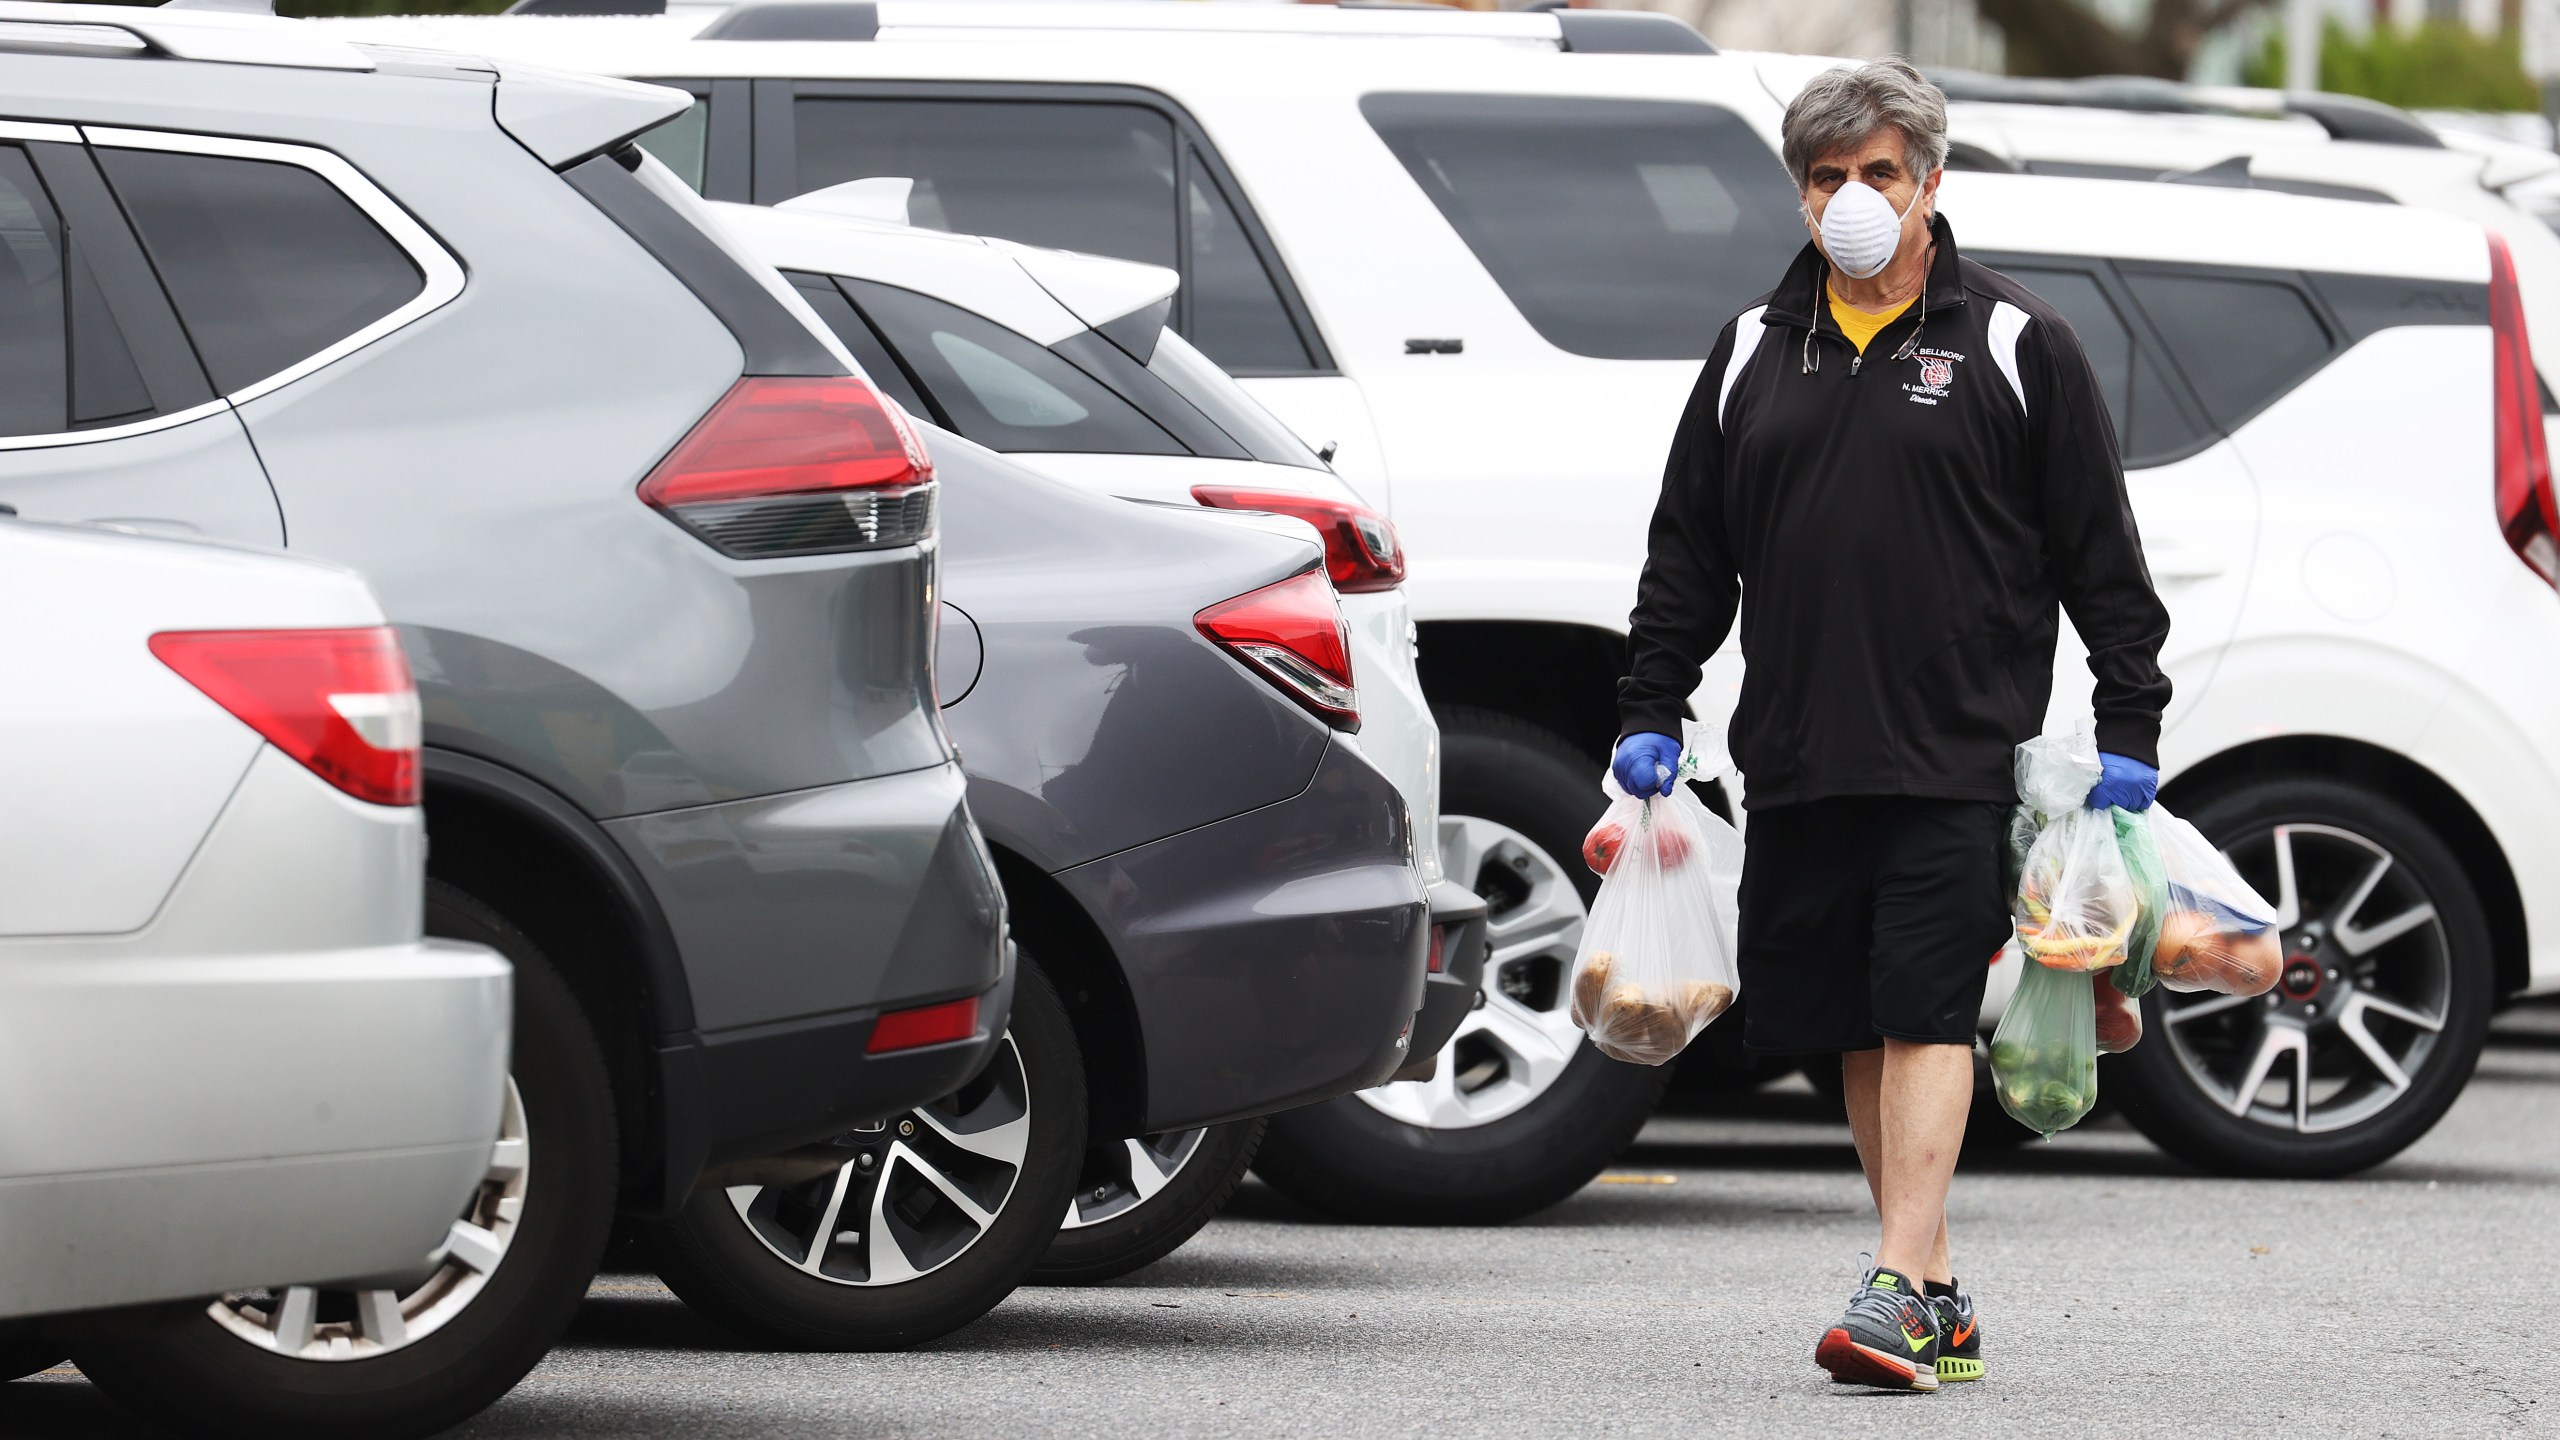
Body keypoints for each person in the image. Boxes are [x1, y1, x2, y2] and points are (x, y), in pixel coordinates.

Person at [1611, 59, 2169, 1392]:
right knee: (1856, 1024)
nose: (1851, 199)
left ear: (1931, 182)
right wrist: (1650, 703)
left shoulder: (2020, 344)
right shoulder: (1754, 346)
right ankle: (1926, 1288)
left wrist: (2128, 719)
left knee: (1924, 1010)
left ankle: (1892, 1295)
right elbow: (1691, 550)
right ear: (1799, 196)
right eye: (1825, 178)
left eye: (1876, 173)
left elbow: (2102, 554)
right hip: (1798, 753)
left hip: (1954, 754)